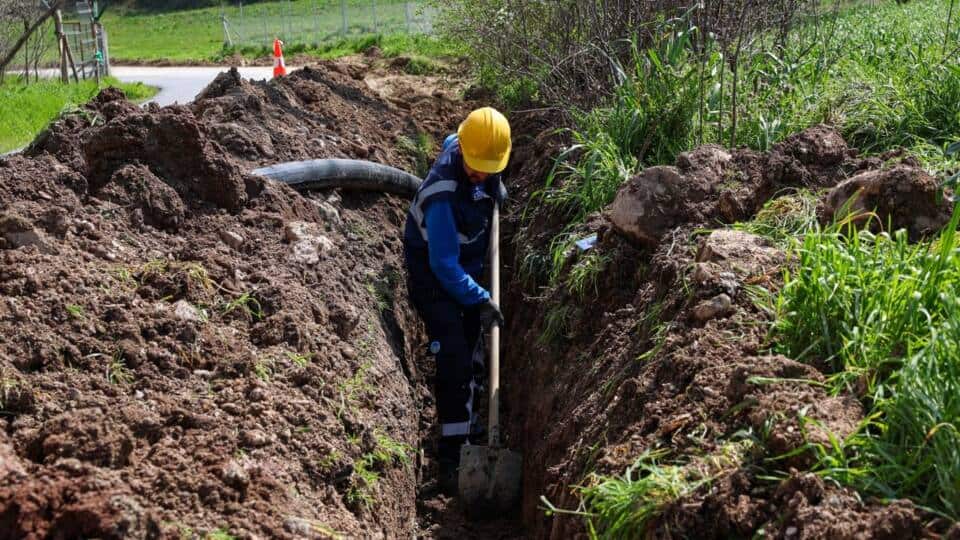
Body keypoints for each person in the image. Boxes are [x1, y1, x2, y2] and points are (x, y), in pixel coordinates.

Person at [403, 107, 511, 493]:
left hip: (463, 268)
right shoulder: (442, 196)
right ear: (463, 152)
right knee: (454, 358)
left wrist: (492, 186)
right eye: (477, 167)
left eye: (490, 167)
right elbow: (444, 265)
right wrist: (481, 299)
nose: (481, 173)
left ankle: (474, 423)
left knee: (474, 351)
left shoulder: (471, 148)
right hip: (435, 277)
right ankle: (451, 455)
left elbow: (486, 170)